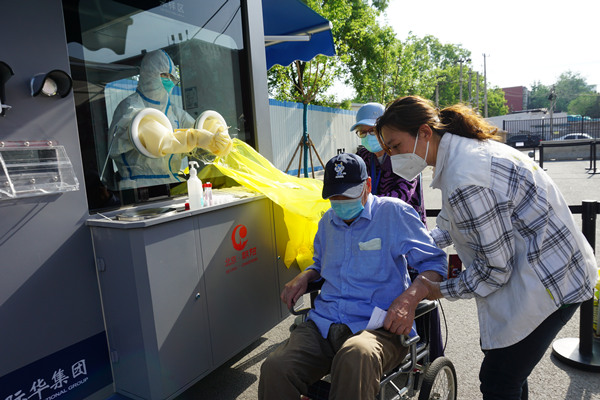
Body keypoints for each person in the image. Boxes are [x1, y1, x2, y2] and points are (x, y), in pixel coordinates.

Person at [375, 95, 599, 400]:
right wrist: (406, 246)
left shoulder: (466, 177)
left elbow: (494, 272)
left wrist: (434, 289)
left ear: (425, 133)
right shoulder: (464, 154)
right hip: (552, 265)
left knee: (498, 379)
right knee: (511, 372)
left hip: (553, 283)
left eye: (395, 145)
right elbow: (450, 225)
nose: (391, 156)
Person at [258, 153, 447, 400]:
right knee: (276, 367)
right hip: (325, 325)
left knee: (356, 356)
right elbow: (320, 264)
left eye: (347, 195)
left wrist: (410, 299)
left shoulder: (394, 214)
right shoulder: (327, 221)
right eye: (334, 197)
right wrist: (305, 276)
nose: (340, 202)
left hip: (380, 327)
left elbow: (435, 264)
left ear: (367, 186)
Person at [106, 49, 232, 190]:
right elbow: (155, 137)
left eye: (172, 78)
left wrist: (216, 137)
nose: (169, 81)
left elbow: (198, 130)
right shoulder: (131, 107)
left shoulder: (174, 112)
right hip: (138, 188)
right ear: (148, 74)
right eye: (164, 75)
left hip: (172, 185)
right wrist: (193, 138)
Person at [351, 102, 427, 225]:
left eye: (372, 130)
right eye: (362, 132)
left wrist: (361, 203)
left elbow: (401, 196)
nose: (368, 136)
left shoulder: (405, 155)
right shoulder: (362, 157)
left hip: (405, 227)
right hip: (373, 227)